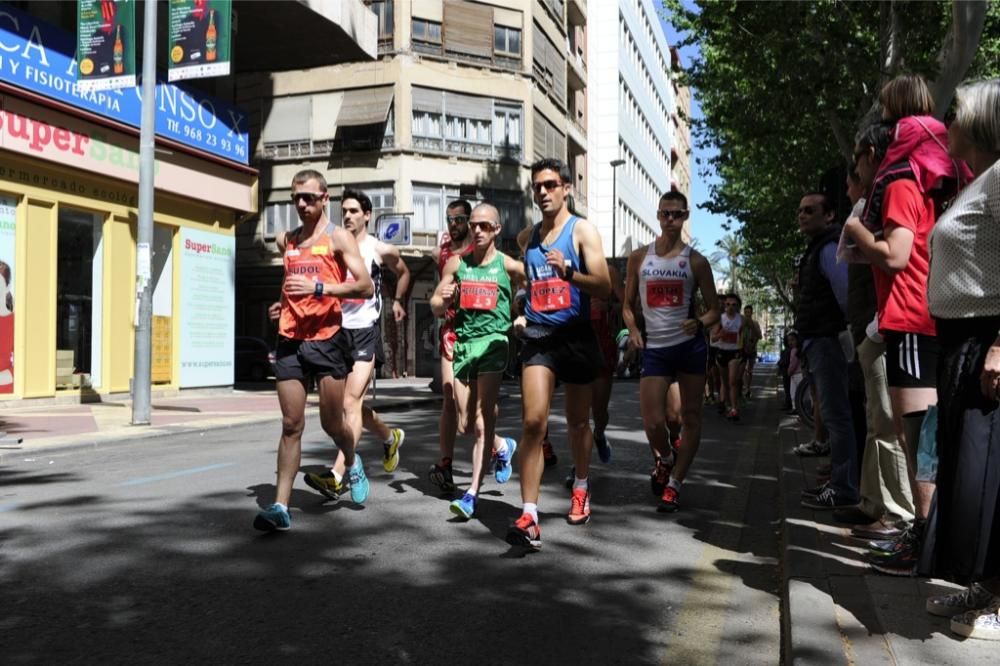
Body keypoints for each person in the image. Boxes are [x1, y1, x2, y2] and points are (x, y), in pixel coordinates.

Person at [844, 112, 963, 574]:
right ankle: (926, 538)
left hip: (910, 320)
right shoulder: (921, 184)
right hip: (924, 316)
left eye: (857, 164)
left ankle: (923, 543)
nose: (856, 175)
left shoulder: (897, 185)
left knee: (916, 441)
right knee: (923, 438)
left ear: (875, 155)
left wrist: (857, 232)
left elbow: (895, 256)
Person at [922, 78, 1000, 640]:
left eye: (955, 114)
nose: (947, 124)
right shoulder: (979, 183)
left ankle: (993, 598)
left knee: (983, 478)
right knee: (967, 474)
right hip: (959, 342)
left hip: (984, 339)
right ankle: (983, 588)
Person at [253, 170, 374, 532]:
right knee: (292, 423)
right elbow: (289, 283)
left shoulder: (338, 238)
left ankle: (351, 461)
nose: (301, 204)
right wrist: (280, 305)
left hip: (327, 338)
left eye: (308, 198)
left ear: (325, 198)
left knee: (331, 422)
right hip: (290, 337)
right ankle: (280, 506)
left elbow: (365, 286)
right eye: (296, 199)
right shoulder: (286, 240)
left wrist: (320, 287)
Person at [506, 158, 611, 551]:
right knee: (534, 422)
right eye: (537, 186)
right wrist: (521, 305)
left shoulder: (582, 231)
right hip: (538, 337)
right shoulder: (528, 237)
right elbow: (528, 277)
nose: (543, 192)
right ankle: (530, 514)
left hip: (576, 336)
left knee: (577, 424)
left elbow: (603, 286)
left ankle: (581, 486)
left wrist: (569, 272)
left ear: (566, 187)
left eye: (550, 185)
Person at [300, 188, 411, 501]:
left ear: (367, 215)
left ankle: (338, 475)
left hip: (364, 331)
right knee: (349, 407)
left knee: (350, 404)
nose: (347, 216)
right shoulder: (334, 244)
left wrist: (398, 301)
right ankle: (390, 437)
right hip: (336, 331)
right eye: (343, 211)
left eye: (353, 211)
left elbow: (403, 272)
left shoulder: (379, 248)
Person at [623, 190, 719, 512]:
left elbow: (715, 311)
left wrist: (700, 323)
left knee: (689, 417)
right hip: (656, 349)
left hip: (689, 349)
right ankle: (665, 459)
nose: (670, 220)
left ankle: (675, 483)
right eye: (666, 213)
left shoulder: (696, 261)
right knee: (653, 422)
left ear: (685, 217)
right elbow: (626, 306)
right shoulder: (639, 258)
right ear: (658, 215)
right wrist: (634, 331)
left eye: (677, 214)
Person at [430, 203, 524, 519]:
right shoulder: (457, 264)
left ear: (497, 230)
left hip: (495, 344)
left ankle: (471, 493)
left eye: (485, 226)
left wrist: (522, 315)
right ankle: (503, 446)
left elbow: (532, 288)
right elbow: (434, 304)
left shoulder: (509, 266)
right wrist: (442, 300)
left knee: (483, 419)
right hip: (464, 345)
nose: (478, 230)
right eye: (474, 225)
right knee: (465, 424)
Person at [795, 192, 859, 511]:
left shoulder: (829, 247)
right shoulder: (819, 247)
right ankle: (839, 479)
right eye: (801, 211)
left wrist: (844, 330)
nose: (803, 215)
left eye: (810, 210)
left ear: (829, 215)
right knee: (835, 414)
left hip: (827, 340)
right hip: (819, 340)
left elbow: (845, 293)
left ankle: (844, 488)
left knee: (837, 415)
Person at [428, 200, 474, 492]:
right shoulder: (442, 253)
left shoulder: (479, 249)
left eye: (459, 219)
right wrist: (442, 299)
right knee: (449, 398)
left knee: (469, 413)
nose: (453, 224)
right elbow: (435, 300)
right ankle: (445, 465)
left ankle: (498, 446)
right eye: (449, 219)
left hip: (478, 333)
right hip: (451, 330)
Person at [710, 293, 744, 420]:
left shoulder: (742, 319)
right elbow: (712, 338)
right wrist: (720, 334)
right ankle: (727, 405)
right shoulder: (720, 319)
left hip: (734, 352)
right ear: (724, 306)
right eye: (728, 304)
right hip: (721, 352)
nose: (730, 307)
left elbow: (753, 332)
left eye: (734, 305)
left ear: (738, 307)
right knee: (724, 381)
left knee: (733, 381)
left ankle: (735, 408)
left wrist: (747, 344)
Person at [741, 305, 763, 398]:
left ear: (751, 313)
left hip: (752, 349)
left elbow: (759, 336)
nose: (747, 314)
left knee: (749, 370)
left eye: (749, 312)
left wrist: (753, 345)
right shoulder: (741, 323)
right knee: (742, 370)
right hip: (742, 349)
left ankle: (748, 388)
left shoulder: (755, 323)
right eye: (746, 312)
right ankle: (742, 387)